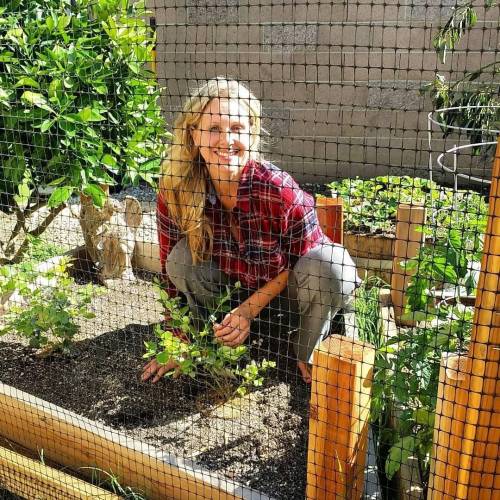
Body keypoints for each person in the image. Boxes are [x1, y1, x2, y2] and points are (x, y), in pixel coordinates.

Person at [142, 77, 359, 384]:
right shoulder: (175, 189)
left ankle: (305, 353)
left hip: (286, 300)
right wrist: (178, 339)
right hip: (228, 295)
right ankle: (214, 343)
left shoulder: (278, 189)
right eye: (214, 128)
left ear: (251, 132)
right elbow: (170, 273)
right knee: (180, 260)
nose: (226, 140)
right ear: (193, 133)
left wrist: (247, 311)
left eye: (236, 128)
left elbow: (300, 261)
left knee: (333, 266)